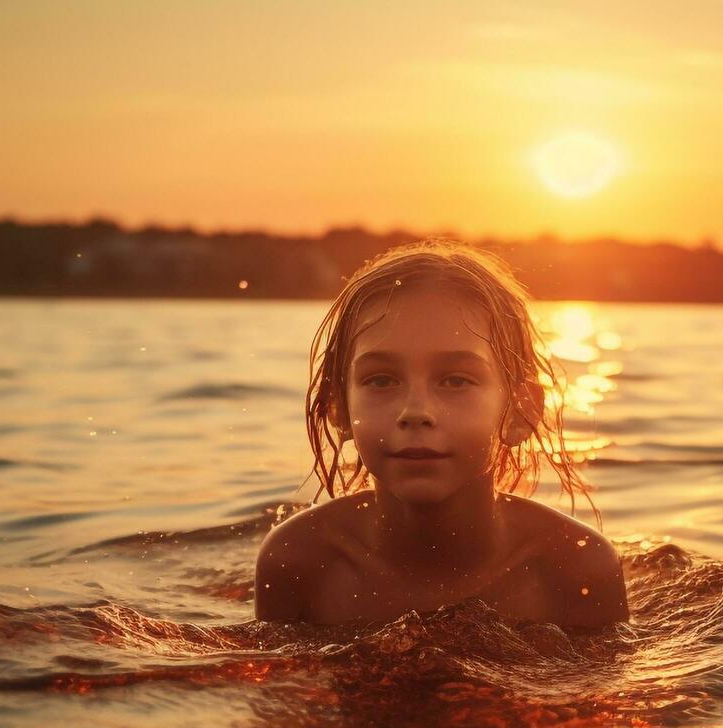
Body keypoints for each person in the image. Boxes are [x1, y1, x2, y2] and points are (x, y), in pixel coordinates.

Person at [255, 240, 628, 628]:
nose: (415, 411)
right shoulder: (298, 562)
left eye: (455, 380)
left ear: (521, 411)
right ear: (339, 407)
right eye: (381, 380)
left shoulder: (576, 568)